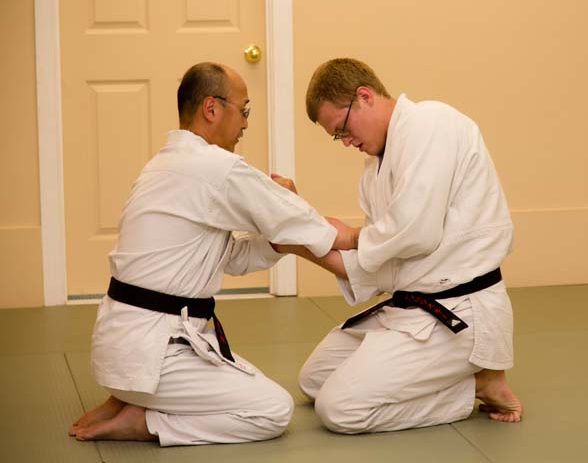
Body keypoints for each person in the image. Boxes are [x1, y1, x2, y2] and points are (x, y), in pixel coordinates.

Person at [68, 62, 355, 446]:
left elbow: (229, 257)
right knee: (273, 410)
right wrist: (363, 238)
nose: (246, 123)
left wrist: (281, 237)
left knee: (248, 382)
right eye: (244, 110)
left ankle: (129, 399)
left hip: (123, 350)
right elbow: (305, 225)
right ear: (211, 108)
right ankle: (147, 422)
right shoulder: (216, 167)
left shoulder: (161, 165)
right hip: (154, 353)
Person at [277, 57, 523, 434]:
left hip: (458, 312)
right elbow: (378, 263)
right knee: (314, 380)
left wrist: (351, 236)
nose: (346, 142)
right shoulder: (374, 169)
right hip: (410, 308)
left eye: (342, 129)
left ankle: (477, 385)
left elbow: (416, 232)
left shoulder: (431, 124)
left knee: (339, 410)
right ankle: (459, 379)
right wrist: (299, 233)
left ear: (364, 96)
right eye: (337, 137)